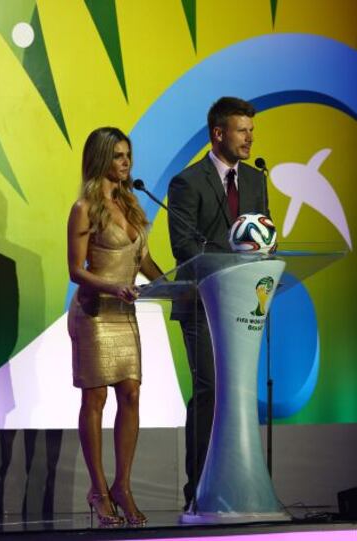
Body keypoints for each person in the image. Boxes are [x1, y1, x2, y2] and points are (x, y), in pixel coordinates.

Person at [167, 96, 271, 510]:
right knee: (210, 389)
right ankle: (199, 491)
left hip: (243, 303)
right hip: (201, 302)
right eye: (241, 130)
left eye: (251, 130)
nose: (249, 138)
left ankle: (238, 484)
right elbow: (184, 245)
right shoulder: (187, 183)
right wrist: (232, 259)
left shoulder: (257, 181)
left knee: (239, 392)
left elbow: (261, 235)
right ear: (218, 133)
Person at [67, 127, 163, 526]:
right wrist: (113, 286)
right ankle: (98, 489)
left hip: (125, 313)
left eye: (129, 155)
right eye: (119, 156)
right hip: (94, 313)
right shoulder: (84, 208)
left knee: (132, 394)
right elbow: (75, 270)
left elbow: (143, 261)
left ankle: (123, 485)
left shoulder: (132, 205)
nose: (127, 163)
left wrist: (174, 284)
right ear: (101, 159)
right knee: (96, 400)